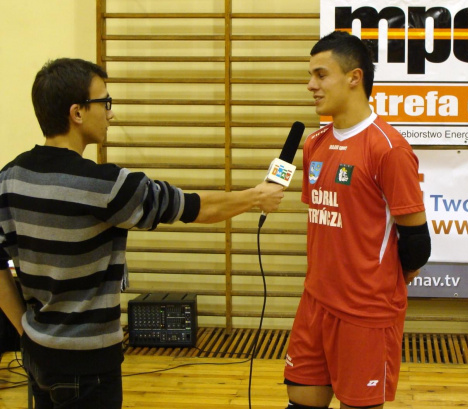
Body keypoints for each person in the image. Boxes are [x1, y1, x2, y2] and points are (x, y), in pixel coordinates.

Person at [0, 58, 285, 408]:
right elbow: (193, 208)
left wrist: (25, 333)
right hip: (89, 368)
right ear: (77, 113)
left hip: (37, 355)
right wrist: (256, 197)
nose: (111, 114)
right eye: (105, 103)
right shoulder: (104, 186)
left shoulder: (9, 178)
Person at [283, 31, 431, 409]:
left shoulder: (388, 147)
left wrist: (383, 281)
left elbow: (416, 241)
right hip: (315, 302)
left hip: (364, 314)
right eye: (311, 75)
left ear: (354, 78)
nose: (310, 85)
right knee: (299, 399)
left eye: (320, 74)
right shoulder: (315, 143)